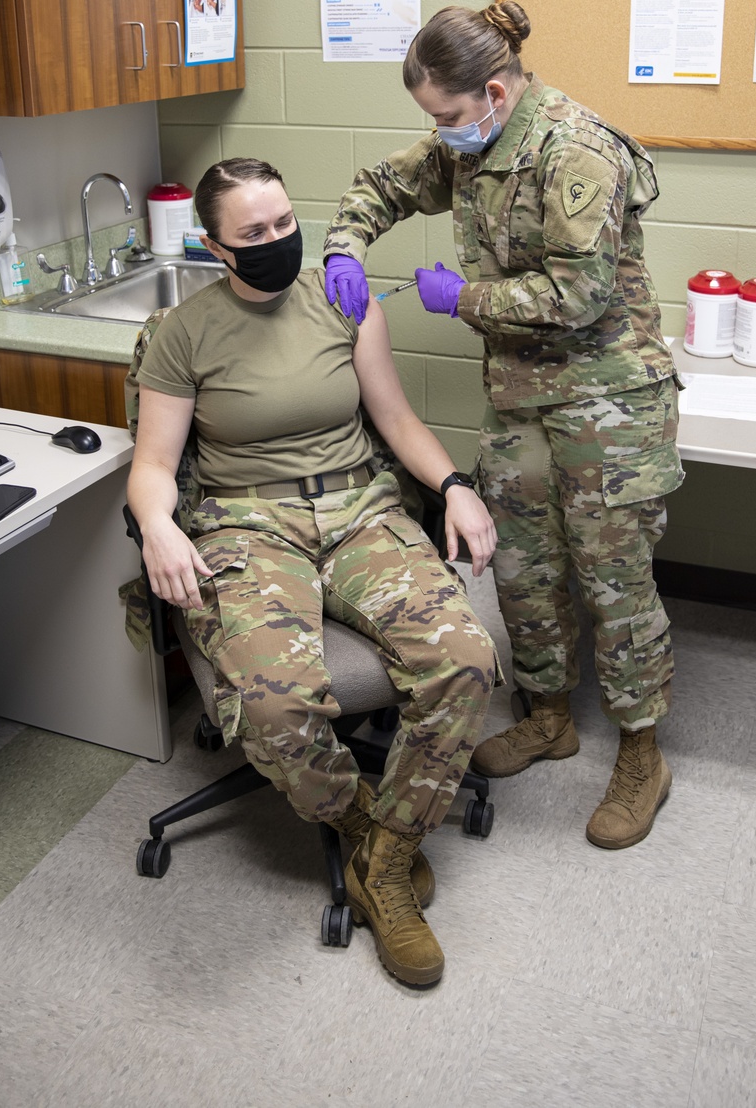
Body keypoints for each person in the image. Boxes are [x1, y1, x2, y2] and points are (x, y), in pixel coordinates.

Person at [127, 157, 499, 989]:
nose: (276, 242)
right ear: (214, 246)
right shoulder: (182, 333)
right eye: (253, 233)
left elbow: (396, 417)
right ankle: (367, 824)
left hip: (360, 510)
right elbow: (153, 463)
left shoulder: (342, 299)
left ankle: (388, 863)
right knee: (270, 701)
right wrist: (156, 522)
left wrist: (455, 488)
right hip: (248, 523)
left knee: (466, 661)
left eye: (286, 223)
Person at [323, 2, 682, 850]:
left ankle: (642, 754)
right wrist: (344, 244)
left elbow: (578, 295)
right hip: (520, 395)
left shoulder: (575, 151)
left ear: (492, 91)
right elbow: (384, 185)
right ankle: (548, 714)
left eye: (445, 118)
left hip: (607, 405)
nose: (439, 135)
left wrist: (464, 298)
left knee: (613, 582)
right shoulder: (475, 141)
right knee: (521, 569)